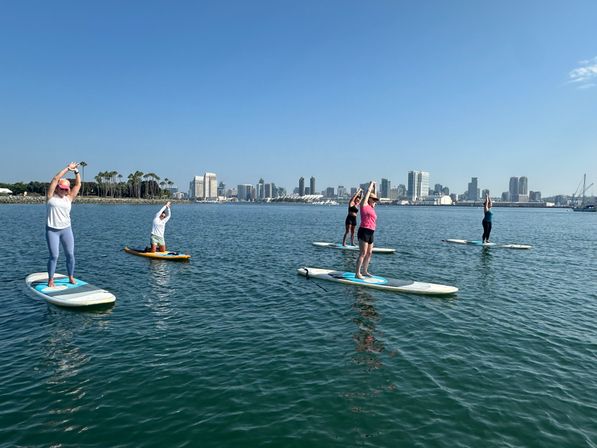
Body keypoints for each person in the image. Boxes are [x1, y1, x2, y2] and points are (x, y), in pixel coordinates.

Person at [46, 162, 81, 287]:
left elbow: (78, 184)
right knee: (54, 256)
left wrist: (76, 171)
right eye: (61, 188)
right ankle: (51, 279)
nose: (63, 190)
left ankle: (70, 276)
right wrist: (67, 168)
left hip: (66, 230)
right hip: (52, 231)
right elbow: (55, 179)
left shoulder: (69, 198)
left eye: (66, 189)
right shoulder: (50, 197)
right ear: (57, 188)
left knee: (70, 255)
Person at [355, 181, 379, 279]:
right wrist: (371, 185)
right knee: (363, 253)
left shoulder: (372, 208)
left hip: (371, 232)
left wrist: (375, 187)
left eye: (375, 200)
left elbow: (375, 195)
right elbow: (368, 193)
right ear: (368, 199)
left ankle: (365, 271)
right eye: (373, 200)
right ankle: (357, 273)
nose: (374, 201)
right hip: (364, 230)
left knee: (369, 253)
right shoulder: (364, 206)